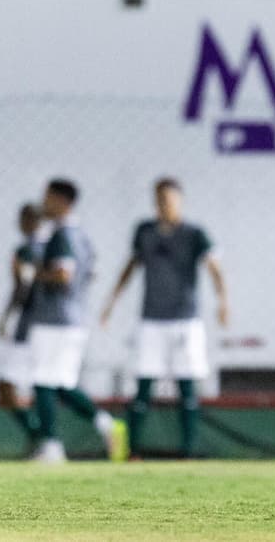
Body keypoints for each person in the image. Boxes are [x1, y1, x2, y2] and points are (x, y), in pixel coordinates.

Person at [100, 177, 228, 459]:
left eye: (169, 200)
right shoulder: (144, 231)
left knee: (187, 384)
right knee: (144, 383)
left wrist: (223, 302)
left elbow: (214, 268)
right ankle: (131, 450)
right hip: (151, 319)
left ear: (180, 201)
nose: (163, 205)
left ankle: (188, 451)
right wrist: (111, 302)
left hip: (185, 319)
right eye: (159, 200)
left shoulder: (195, 234)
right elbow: (131, 266)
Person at [29, 178, 127, 463]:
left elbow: (63, 274)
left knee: (43, 380)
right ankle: (107, 424)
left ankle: (51, 446)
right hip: (74, 317)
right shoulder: (82, 236)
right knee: (61, 383)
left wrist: (32, 273)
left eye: (48, 197)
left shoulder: (62, 235)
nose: (43, 203)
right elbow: (92, 273)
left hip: (54, 319)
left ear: (61, 201)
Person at [0, 203, 44, 449]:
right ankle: (43, 438)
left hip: (29, 327)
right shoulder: (52, 246)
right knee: (47, 384)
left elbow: (22, 287)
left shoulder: (26, 252)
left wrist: (6, 317)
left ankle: (40, 436)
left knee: (6, 386)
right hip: (53, 326)